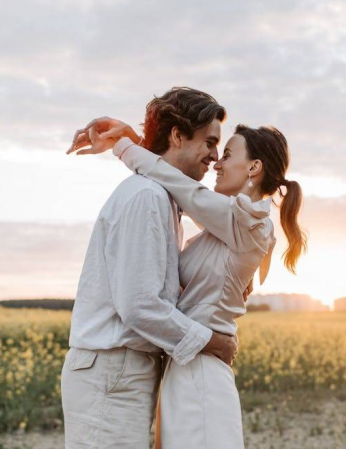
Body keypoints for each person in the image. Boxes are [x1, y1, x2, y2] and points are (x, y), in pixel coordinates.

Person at [70, 113, 307, 449]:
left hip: (202, 369)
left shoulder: (250, 223)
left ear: (253, 168)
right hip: (184, 363)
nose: (216, 163)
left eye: (226, 154)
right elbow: (175, 181)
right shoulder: (223, 225)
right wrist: (135, 144)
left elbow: (182, 187)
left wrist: (124, 145)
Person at [61, 87, 238, 449]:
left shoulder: (163, 200)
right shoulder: (147, 197)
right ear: (177, 135)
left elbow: (154, 291)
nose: (214, 156)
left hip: (120, 371)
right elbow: (139, 304)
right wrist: (211, 343)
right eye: (209, 141)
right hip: (113, 371)